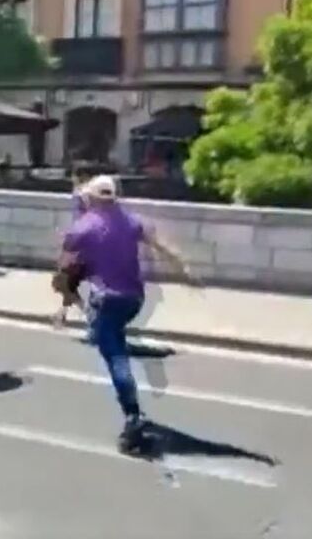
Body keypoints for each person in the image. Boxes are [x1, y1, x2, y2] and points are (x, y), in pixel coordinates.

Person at [62, 175, 193, 452]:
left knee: (114, 355)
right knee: (109, 335)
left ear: (92, 199)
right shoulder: (131, 221)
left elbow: (66, 259)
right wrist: (183, 267)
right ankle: (114, 341)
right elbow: (161, 245)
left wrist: (79, 213)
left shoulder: (84, 227)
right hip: (134, 300)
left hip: (108, 300)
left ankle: (133, 416)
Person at [52, 164, 97, 327]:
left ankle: (85, 312)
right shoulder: (88, 193)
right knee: (69, 280)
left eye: (73, 176)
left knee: (64, 279)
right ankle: (64, 313)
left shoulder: (83, 193)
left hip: (80, 242)